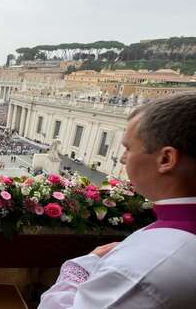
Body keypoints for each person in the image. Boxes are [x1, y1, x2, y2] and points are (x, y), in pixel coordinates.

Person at [39, 92, 196, 308]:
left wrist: (82, 267)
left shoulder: (145, 265)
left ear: (166, 159)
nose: (122, 158)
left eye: (129, 148)